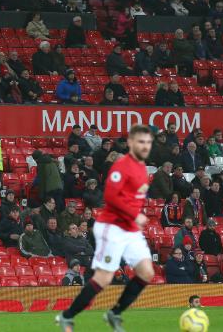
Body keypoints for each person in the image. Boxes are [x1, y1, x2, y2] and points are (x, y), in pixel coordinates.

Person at [58, 125, 155, 331]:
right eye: (141, 142)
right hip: (111, 227)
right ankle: (67, 316)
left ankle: (114, 313)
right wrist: (134, 214)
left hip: (129, 229)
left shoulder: (142, 168)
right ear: (130, 143)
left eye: (148, 142)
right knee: (104, 278)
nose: (145, 146)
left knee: (146, 272)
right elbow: (110, 197)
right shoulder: (121, 166)